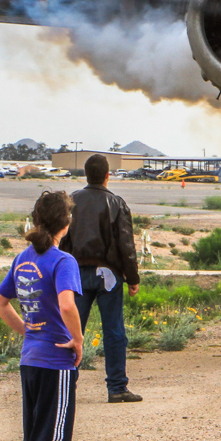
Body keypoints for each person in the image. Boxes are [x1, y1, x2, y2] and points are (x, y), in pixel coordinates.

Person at [0, 190, 83, 441]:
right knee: (53, 437)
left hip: (30, 359)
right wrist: (78, 340)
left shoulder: (23, 259)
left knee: (34, 435)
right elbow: (68, 305)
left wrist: (27, 331)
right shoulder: (63, 261)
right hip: (56, 361)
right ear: (66, 224)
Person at [61, 153, 143, 403]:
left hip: (76, 274)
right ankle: (117, 387)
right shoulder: (117, 203)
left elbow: (62, 241)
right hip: (109, 275)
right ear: (108, 175)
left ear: (86, 175)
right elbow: (125, 244)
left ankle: (66, 386)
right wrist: (133, 277)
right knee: (114, 331)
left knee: (73, 331)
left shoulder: (71, 202)